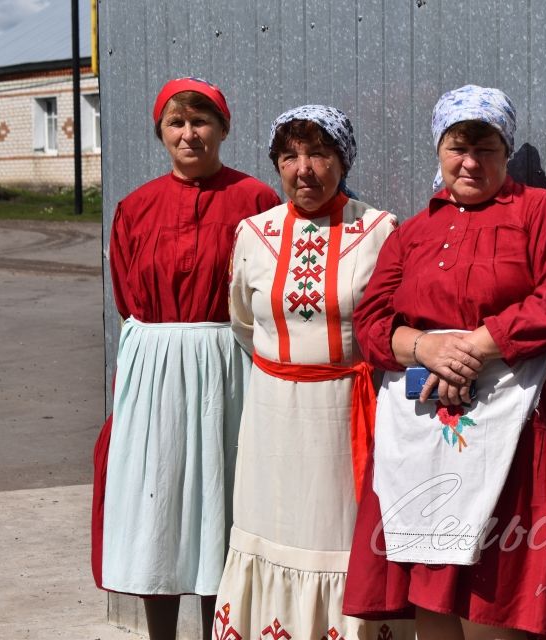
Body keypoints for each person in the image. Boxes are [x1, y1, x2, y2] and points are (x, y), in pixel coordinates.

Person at [343, 85, 546, 640]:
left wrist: (477, 345)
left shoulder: (540, 212)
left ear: (506, 152)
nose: (471, 161)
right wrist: (424, 348)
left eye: (487, 148)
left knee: (496, 585)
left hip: (517, 425)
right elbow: (369, 323)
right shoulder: (413, 233)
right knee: (433, 586)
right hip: (425, 433)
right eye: (458, 146)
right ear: (438, 150)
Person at [211, 105, 412, 639]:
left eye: (319, 154)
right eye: (290, 156)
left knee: (339, 535)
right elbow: (243, 321)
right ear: (276, 164)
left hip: (346, 410)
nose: (304, 169)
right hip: (272, 413)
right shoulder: (253, 233)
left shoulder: (378, 230)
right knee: (269, 528)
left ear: (343, 161)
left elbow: (393, 321)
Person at [90, 77, 280, 640]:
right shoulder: (136, 206)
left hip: (228, 363)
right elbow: (127, 296)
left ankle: (222, 630)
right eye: (177, 123)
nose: (189, 134)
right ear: (161, 133)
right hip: (156, 367)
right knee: (161, 503)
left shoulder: (255, 202)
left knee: (221, 502)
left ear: (223, 130)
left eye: (201, 122)